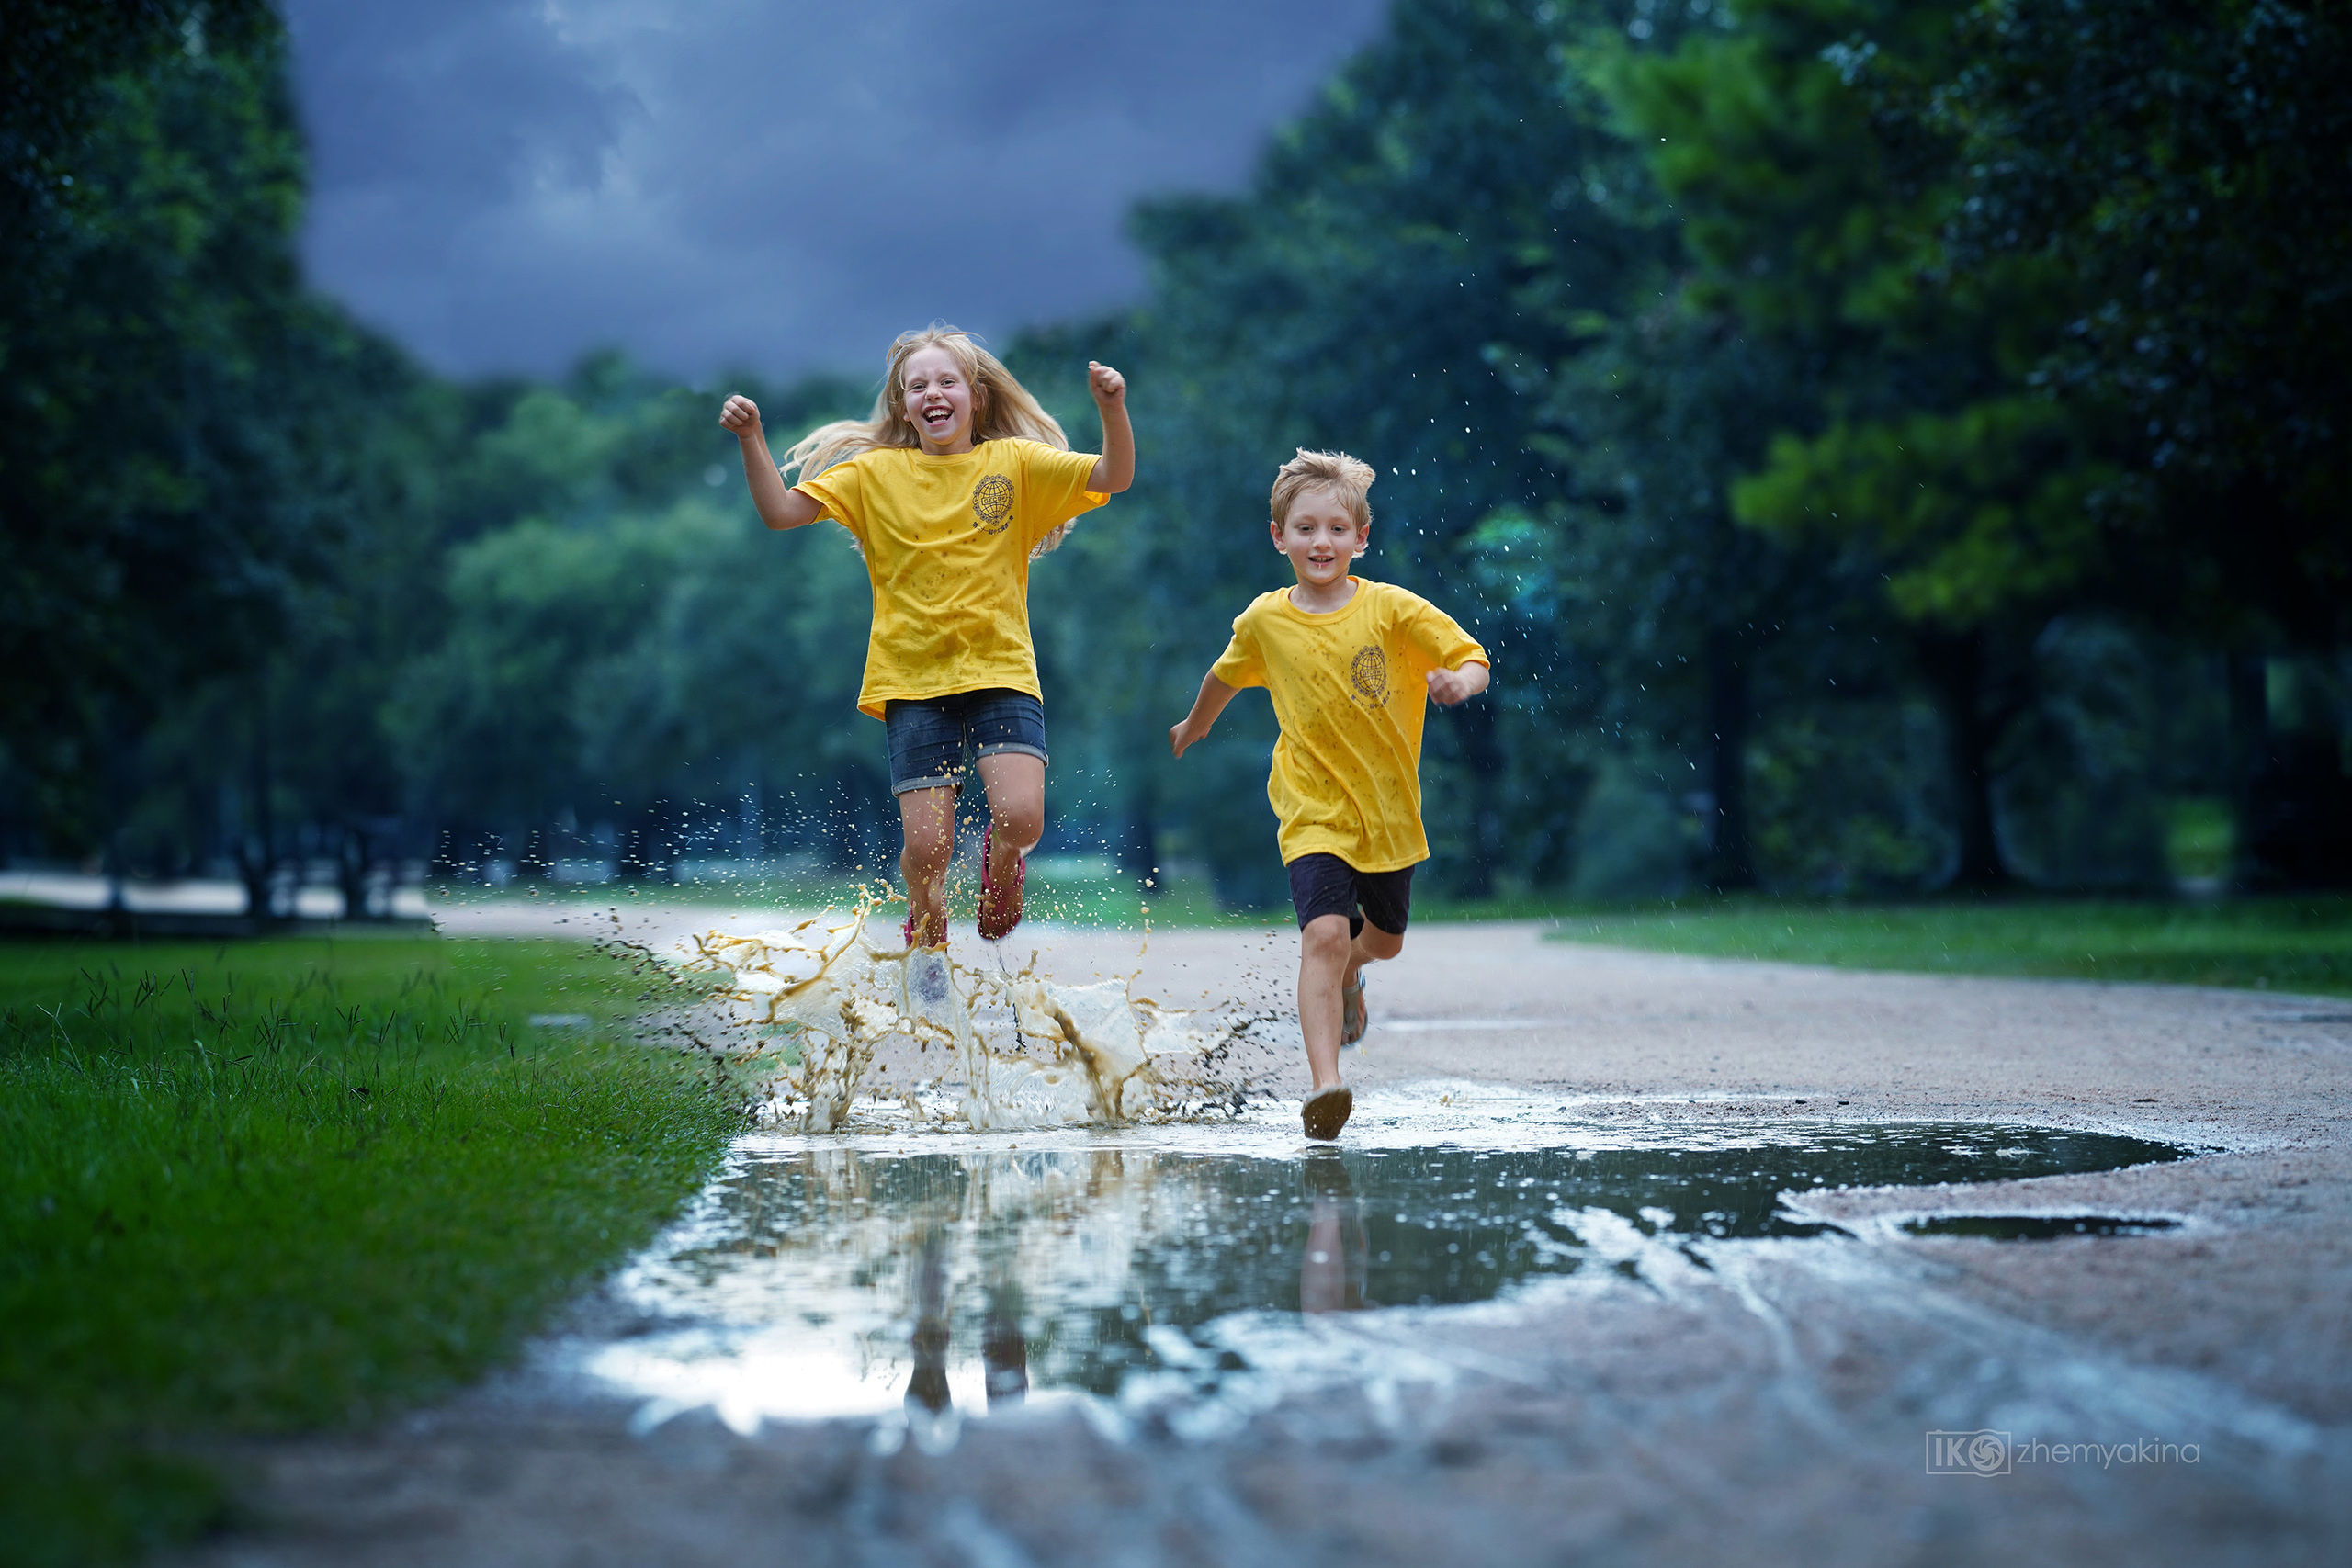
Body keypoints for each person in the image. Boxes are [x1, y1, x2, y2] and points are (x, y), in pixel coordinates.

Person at [720, 325, 1133, 948]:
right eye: (918, 386)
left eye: (947, 381)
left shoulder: (1015, 464)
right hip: (912, 679)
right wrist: (752, 438)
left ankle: (1002, 862)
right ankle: (927, 910)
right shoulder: (873, 474)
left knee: (1022, 817)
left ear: (978, 398)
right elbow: (780, 512)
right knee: (927, 848)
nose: (933, 393)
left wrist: (1111, 410)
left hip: (1000, 669)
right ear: (902, 405)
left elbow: (1114, 474)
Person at [1168, 450, 1489, 1141]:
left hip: (1388, 813)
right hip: (1311, 809)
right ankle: (1325, 1086)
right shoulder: (1265, 620)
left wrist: (1459, 683)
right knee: (1322, 936)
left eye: (1337, 529)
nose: (1322, 542)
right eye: (1306, 528)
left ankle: (1353, 976)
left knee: (1384, 942)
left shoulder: (1391, 608)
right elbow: (1225, 675)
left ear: (1361, 538)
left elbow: (1470, 654)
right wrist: (1196, 724)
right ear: (1278, 536)